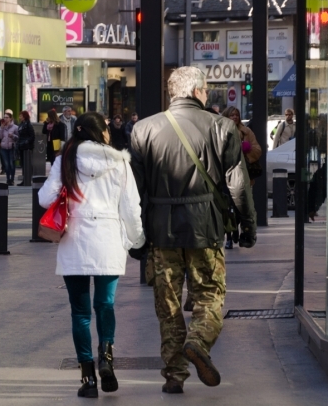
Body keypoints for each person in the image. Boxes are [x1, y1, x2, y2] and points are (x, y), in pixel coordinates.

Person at [128, 66, 256, 394]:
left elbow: (135, 191)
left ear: (173, 93)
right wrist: (248, 225)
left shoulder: (143, 130)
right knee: (210, 295)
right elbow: (238, 184)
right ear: (198, 91)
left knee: (168, 305)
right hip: (206, 228)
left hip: (161, 232)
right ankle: (198, 341)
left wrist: (135, 234)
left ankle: (174, 375)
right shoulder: (222, 128)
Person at [39, 112, 145, 398]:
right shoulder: (120, 162)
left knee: (81, 313)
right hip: (108, 240)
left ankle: (87, 377)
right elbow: (131, 207)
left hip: (75, 240)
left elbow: (44, 198)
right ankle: (107, 357)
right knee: (105, 304)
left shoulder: (66, 159)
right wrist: (137, 240)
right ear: (102, 133)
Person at [221, 106, 262, 249]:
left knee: (240, 207)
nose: (234, 117)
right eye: (232, 115)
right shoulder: (220, 131)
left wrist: (248, 150)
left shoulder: (247, 132)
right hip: (225, 176)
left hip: (243, 175)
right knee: (227, 208)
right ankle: (229, 237)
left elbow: (258, 150)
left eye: (236, 115)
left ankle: (237, 230)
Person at [0, 112, 19, 185]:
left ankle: (12, 179)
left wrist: (13, 136)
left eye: (7, 117)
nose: (5, 119)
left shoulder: (15, 127)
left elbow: (18, 137)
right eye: (4, 117)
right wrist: (1, 128)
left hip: (11, 147)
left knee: (11, 164)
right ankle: (8, 179)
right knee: (6, 164)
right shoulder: (2, 127)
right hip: (4, 148)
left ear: (10, 118)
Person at [16, 110, 35, 186]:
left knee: (27, 164)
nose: (19, 117)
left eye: (21, 116)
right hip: (21, 146)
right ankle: (25, 179)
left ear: (24, 116)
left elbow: (32, 136)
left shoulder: (28, 125)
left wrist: (26, 142)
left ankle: (27, 180)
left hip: (27, 147)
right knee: (23, 164)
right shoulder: (21, 124)